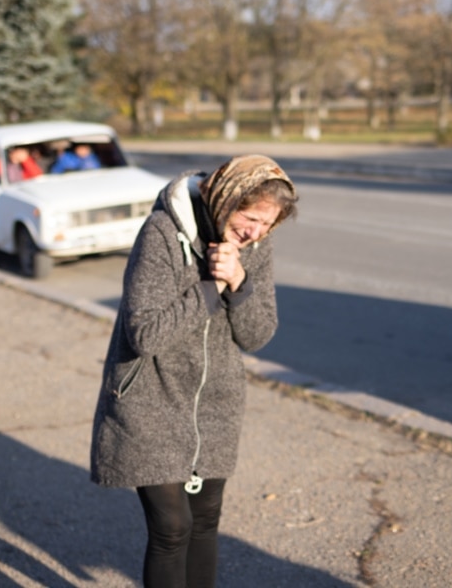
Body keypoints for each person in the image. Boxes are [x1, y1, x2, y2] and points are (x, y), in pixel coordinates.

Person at [90, 155, 298, 588]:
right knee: (172, 529)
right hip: (150, 401)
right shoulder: (163, 232)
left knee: (205, 521)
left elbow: (258, 335)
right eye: (251, 217)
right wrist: (212, 286)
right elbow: (144, 333)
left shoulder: (254, 246)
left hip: (215, 404)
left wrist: (241, 283)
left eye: (268, 224)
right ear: (225, 199)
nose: (256, 232)